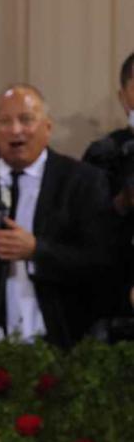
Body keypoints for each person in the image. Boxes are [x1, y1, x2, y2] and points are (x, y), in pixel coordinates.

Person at [0, 85, 112, 346]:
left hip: (54, 343)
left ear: (47, 127)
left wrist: (37, 250)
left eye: (26, 120)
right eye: (4, 121)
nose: (15, 130)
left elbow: (102, 262)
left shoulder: (82, 181)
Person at [82, 51, 134, 329]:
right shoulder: (104, 153)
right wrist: (122, 203)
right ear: (123, 96)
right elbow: (86, 229)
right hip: (118, 294)